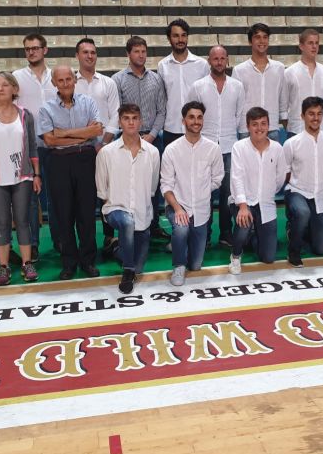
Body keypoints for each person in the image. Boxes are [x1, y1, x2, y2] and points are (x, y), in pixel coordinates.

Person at [0, 73, 41, 285]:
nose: (0, 88)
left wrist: (36, 174)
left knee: (23, 221)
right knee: (2, 222)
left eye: (5, 85)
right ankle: (3, 267)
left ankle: (27, 263)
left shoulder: (25, 114)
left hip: (23, 176)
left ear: (14, 89)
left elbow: (32, 147)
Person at [38, 65, 103, 280]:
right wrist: (83, 134)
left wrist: (63, 133)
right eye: (61, 80)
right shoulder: (46, 109)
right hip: (58, 162)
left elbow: (96, 131)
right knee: (63, 215)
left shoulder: (88, 102)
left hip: (86, 159)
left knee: (86, 213)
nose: (65, 83)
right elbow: (49, 140)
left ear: (75, 80)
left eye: (68, 79)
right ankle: (68, 263)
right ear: (54, 83)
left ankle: (88, 261)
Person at [96, 104, 160, 294]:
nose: (131, 122)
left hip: (142, 212)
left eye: (134, 118)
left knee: (138, 266)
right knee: (127, 222)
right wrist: (110, 206)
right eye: (126, 118)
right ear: (120, 122)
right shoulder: (106, 152)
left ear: (140, 121)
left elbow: (152, 187)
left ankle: (116, 248)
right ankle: (127, 273)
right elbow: (102, 189)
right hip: (115, 209)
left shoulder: (153, 152)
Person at [112, 35, 168, 247]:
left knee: (152, 184)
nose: (141, 55)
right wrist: (132, 136)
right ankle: (130, 226)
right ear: (128, 54)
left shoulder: (156, 79)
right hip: (127, 140)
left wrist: (151, 135)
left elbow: (162, 111)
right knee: (129, 184)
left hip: (153, 139)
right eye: (136, 51)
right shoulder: (118, 80)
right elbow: (118, 113)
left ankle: (153, 225)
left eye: (143, 51)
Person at [161, 101, 224, 286]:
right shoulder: (172, 150)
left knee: (196, 265)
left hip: (202, 210)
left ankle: (179, 244)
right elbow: (166, 186)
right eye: (191, 117)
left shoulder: (213, 148)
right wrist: (177, 208)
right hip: (177, 206)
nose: (196, 121)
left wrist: (202, 191)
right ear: (183, 121)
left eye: (199, 117)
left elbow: (217, 178)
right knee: (181, 228)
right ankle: (178, 266)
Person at [187, 45, 244, 247]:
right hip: (205, 147)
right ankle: (205, 233)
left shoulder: (237, 86)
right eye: (215, 58)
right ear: (209, 61)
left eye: (222, 58)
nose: (219, 62)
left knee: (227, 193)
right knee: (205, 193)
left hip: (229, 146)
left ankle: (225, 232)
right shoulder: (198, 86)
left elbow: (240, 116)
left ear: (227, 60)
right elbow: (191, 116)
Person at [73, 37, 121, 250]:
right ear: (77, 55)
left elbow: (115, 115)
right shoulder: (71, 83)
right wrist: (85, 140)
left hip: (106, 148)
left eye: (93, 52)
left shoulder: (108, 83)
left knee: (107, 193)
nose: (89, 56)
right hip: (79, 148)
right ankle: (86, 241)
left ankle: (109, 237)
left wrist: (103, 143)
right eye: (85, 52)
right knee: (83, 197)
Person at [283, 96, 323, 267]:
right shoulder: (291, 143)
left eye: (319, 114)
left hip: (320, 197)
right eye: (311, 114)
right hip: (297, 192)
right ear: (302, 116)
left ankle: (301, 229)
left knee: (321, 249)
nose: (315, 118)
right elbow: (285, 173)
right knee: (302, 212)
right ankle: (293, 251)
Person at [13, 33, 56, 260]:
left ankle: (61, 241)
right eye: (28, 49)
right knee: (30, 200)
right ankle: (33, 245)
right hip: (28, 147)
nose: (31, 52)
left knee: (57, 197)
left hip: (55, 146)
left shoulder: (55, 76)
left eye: (35, 48)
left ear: (44, 50)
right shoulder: (17, 77)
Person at [229, 107, 287, 273]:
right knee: (244, 224)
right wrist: (243, 206)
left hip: (266, 204)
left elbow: (280, 178)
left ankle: (253, 236)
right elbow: (236, 178)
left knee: (268, 258)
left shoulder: (277, 148)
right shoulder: (239, 147)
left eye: (263, 123)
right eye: (255, 124)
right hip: (243, 202)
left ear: (269, 126)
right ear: (248, 127)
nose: (259, 128)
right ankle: (235, 255)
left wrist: (267, 194)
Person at [157, 18, 209, 147]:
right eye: (176, 36)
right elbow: (161, 98)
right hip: (171, 128)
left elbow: (207, 97)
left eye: (183, 35)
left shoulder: (202, 64)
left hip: (197, 127)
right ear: (169, 38)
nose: (180, 40)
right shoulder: (162, 65)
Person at [233, 23, 287, 142]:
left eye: (265, 37)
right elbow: (236, 102)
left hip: (272, 128)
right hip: (246, 129)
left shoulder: (279, 68)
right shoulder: (239, 70)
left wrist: (284, 122)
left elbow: (283, 99)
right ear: (250, 41)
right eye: (257, 37)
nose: (262, 41)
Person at [283, 28, 323, 137]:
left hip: (321, 130)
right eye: (310, 43)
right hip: (297, 130)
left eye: (316, 43)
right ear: (301, 46)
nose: (314, 46)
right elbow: (284, 105)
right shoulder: (289, 72)